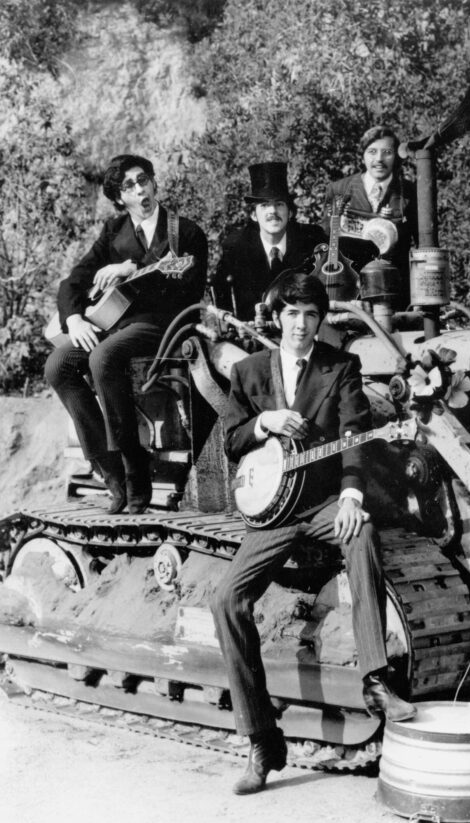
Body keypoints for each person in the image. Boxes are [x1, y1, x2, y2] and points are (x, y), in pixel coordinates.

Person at [210, 271, 415, 796]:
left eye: (310, 315)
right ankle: (260, 739)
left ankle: (376, 679)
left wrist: (351, 495)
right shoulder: (249, 371)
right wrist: (266, 423)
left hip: (325, 503)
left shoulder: (341, 366)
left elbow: (356, 438)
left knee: (362, 533)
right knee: (226, 600)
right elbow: (232, 441)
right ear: (277, 317)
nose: (301, 325)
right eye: (292, 314)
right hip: (273, 514)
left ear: (320, 320)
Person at [45, 154, 208, 514]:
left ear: (154, 183)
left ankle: (135, 465)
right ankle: (108, 468)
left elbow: (190, 287)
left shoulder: (186, 231)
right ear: (120, 198)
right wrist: (73, 319)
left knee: (103, 357)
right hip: (115, 323)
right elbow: (72, 281)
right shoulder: (113, 232)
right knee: (58, 366)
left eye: (143, 180)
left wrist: (131, 267)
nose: (140, 190)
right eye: (129, 187)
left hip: (163, 323)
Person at [213, 162, 327, 321]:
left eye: (279, 204)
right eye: (265, 205)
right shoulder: (235, 248)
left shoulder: (312, 239)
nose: (272, 212)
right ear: (254, 215)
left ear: (290, 212)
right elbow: (222, 299)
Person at [321, 126, 417, 309]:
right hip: (347, 293)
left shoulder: (410, 192)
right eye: (372, 152)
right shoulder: (339, 190)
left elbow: (422, 248)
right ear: (363, 155)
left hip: (394, 294)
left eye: (387, 152)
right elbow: (325, 241)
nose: (379, 159)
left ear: (396, 157)